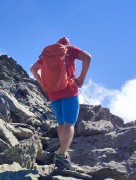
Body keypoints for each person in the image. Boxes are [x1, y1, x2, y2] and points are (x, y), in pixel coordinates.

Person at [30, 37, 91, 170]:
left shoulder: (47, 55)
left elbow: (33, 69)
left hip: (53, 93)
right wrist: (81, 78)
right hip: (69, 89)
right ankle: (62, 154)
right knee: (70, 123)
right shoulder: (70, 50)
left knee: (61, 123)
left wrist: (42, 83)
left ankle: (64, 153)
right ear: (67, 45)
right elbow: (87, 57)